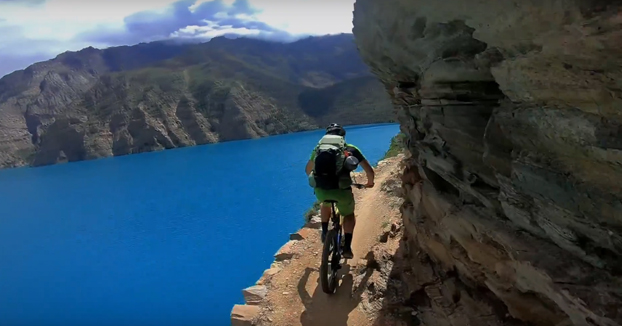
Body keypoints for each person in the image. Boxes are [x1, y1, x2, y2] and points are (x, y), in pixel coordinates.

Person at [305, 123, 375, 259]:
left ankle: (325, 231)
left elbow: (308, 170)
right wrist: (369, 183)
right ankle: (347, 247)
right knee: (348, 215)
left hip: (322, 190)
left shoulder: (318, 149)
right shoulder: (350, 149)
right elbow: (369, 171)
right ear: (342, 137)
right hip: (342, 191)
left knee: (325, 203)